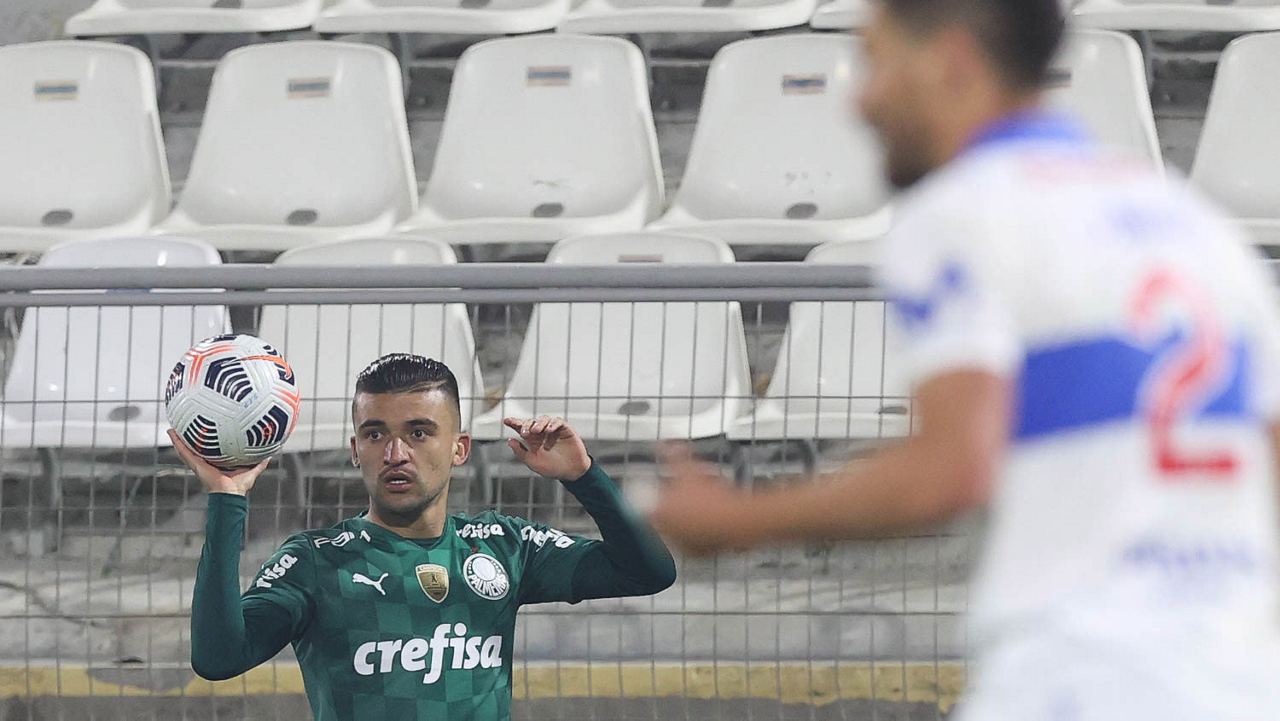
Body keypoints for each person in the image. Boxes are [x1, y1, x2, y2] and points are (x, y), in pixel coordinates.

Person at [650, 0, 1280, 718]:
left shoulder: (965, 213)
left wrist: (735, 521)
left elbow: (951, 469)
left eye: (877, 62)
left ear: (950, 64)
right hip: (1241, 680)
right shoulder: (1196, 226)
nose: (861, 99)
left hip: (1081, 672)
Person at [181, 353, 675, 720]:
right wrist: (227, 499)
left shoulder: (504, 546)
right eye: (375, 434)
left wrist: (584, 476)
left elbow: (648, 572)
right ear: (355, 450)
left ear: (460, 448)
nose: (395, 453)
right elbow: (218, 658)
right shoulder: (315, 561)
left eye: (419, 432)